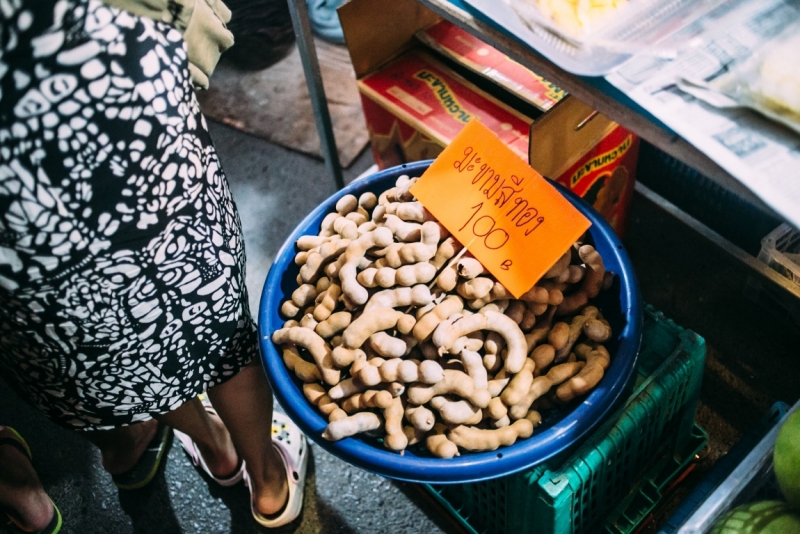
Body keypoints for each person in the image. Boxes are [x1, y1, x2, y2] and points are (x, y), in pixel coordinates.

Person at [0, 0, 307, 528]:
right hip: (104, 92)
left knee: (105, 358)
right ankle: (268, 481)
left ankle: (215, 447)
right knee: (213, 323)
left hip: (15, 225)